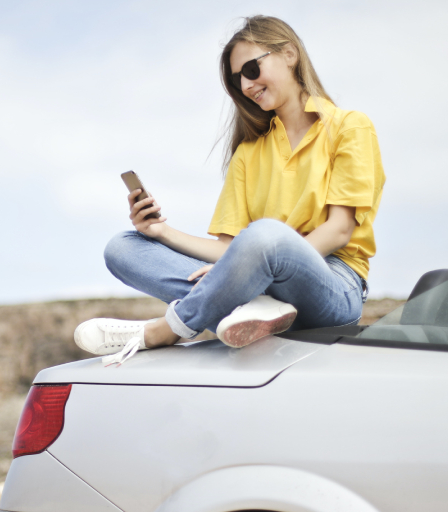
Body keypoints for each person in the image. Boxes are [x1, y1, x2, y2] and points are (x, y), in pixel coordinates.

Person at [75, 15, 385, 366]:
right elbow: (228, 249)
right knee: (122, 248)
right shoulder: (249, 153)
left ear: (289, 54)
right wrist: (161, 232)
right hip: (258, 284)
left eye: (251, 69)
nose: (247, 84)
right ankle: (249, 308)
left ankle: (165, 330)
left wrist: (249, 266)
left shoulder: (350, 127)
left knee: (268, 236)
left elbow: (339, 229)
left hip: (332, 284)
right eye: (238, 80)